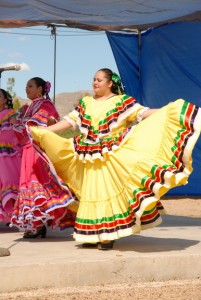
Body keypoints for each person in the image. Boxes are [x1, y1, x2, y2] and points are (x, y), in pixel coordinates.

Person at [30, 68, 201, 250]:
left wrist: (167, 110)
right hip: (88, 155)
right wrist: (45, 132)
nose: (95, 83)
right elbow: (69, 122)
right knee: (91, 193)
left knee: (105, 193)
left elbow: (143, 113)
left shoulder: (121, 102)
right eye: (94, 79)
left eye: (99, 80)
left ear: (110, 83)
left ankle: (107, 235)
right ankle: (92, 234)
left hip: (112, 155)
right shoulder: (86, 103)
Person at [10, 77, 76, 238]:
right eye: (26, 86)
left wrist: (17, 122)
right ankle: (36, 224)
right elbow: (20, 126)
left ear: (40, 89)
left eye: (30, 86)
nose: (27, 89)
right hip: (27, 150)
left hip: (36, 150)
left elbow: (35, 126)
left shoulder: (45, 105)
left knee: (37, 182)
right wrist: (17, 121)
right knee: (28, 184)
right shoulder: (28, 107)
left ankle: (38, 224)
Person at [0, 89, 21, 223]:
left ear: (6, 99)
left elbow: (17, 126)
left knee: (9, 181)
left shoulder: (9, 113)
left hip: (8, 153)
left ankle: (14, 214)